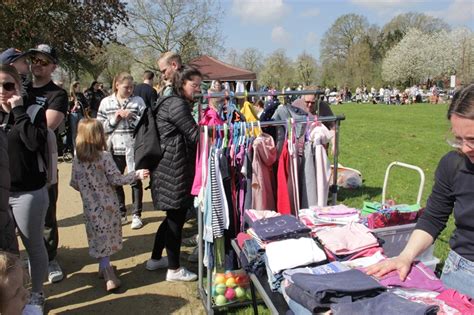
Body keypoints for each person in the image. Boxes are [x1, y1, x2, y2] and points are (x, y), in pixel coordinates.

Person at [367, 84, 474, 298]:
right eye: (458, 139)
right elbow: (433, 218)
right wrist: (405, 256)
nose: (464, 148)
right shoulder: (452, 165)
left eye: (472, 140)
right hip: (461, 272)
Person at [70, 119, 149, 291]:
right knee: (107, 238)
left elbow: (74, 183)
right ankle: (110, 277)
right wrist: (136, 174)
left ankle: (102, 268)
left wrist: (88, 191)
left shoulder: (77, 158)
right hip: (108, 206)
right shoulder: (104, 157)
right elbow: (116, 179)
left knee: (98, 238)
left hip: (90, 207)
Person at [0, 64, 49, 312]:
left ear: (19, 86)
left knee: (33, 245)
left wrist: (18, 111)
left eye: (8, 85)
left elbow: (33, 142)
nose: (2, 91)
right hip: (2, 194)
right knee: (7, 254)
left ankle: (36, 293)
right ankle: (11, 298)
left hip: (28, 192)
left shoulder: (33, 109)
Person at [145, 66, 201, 281]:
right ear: (182, 84)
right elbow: (195, 135)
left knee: (171, 217)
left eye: (199, 85)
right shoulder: (177, 104)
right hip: (173, 168)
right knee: (175, 219)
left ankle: (156, 259)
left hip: (169, 167)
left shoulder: (172, 101)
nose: (197, 89)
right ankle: (174, 269)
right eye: (193, 85)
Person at [26, 44, 68, 284]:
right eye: (34, 60)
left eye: (43, 61)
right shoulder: (19, 87)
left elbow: (46, 127)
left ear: (53, 66)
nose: (37, 65)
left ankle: (50, 258)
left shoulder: (57, 94)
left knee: (46, 214)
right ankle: (32, 255)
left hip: (42, 163)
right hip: (15, 162)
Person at [97, 72, 146, 229]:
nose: (130, 90)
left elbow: (145, 125)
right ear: (117, 85)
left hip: (133, 147)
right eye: (126, 87)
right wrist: (115, 119)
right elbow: (100, 127)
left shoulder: (138, 101)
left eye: (132, 87)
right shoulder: (106, 102)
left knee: (135, 180)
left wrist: (132, 117)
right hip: (113, 148)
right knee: (115, 180)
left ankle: (136, 214)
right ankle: (121, 211)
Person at [68, 81, 88, 151]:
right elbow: (68, 107)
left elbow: (86, 103)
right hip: (73, 115)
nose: (79, 88)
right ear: (74, 87)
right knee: (74, 132)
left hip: (80, 114)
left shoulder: (80, 95)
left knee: (82, 130)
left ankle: (83, 147)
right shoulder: (70, 95)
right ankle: (75, 149)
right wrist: (73, 104)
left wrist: (81, 104)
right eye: (78, 87)